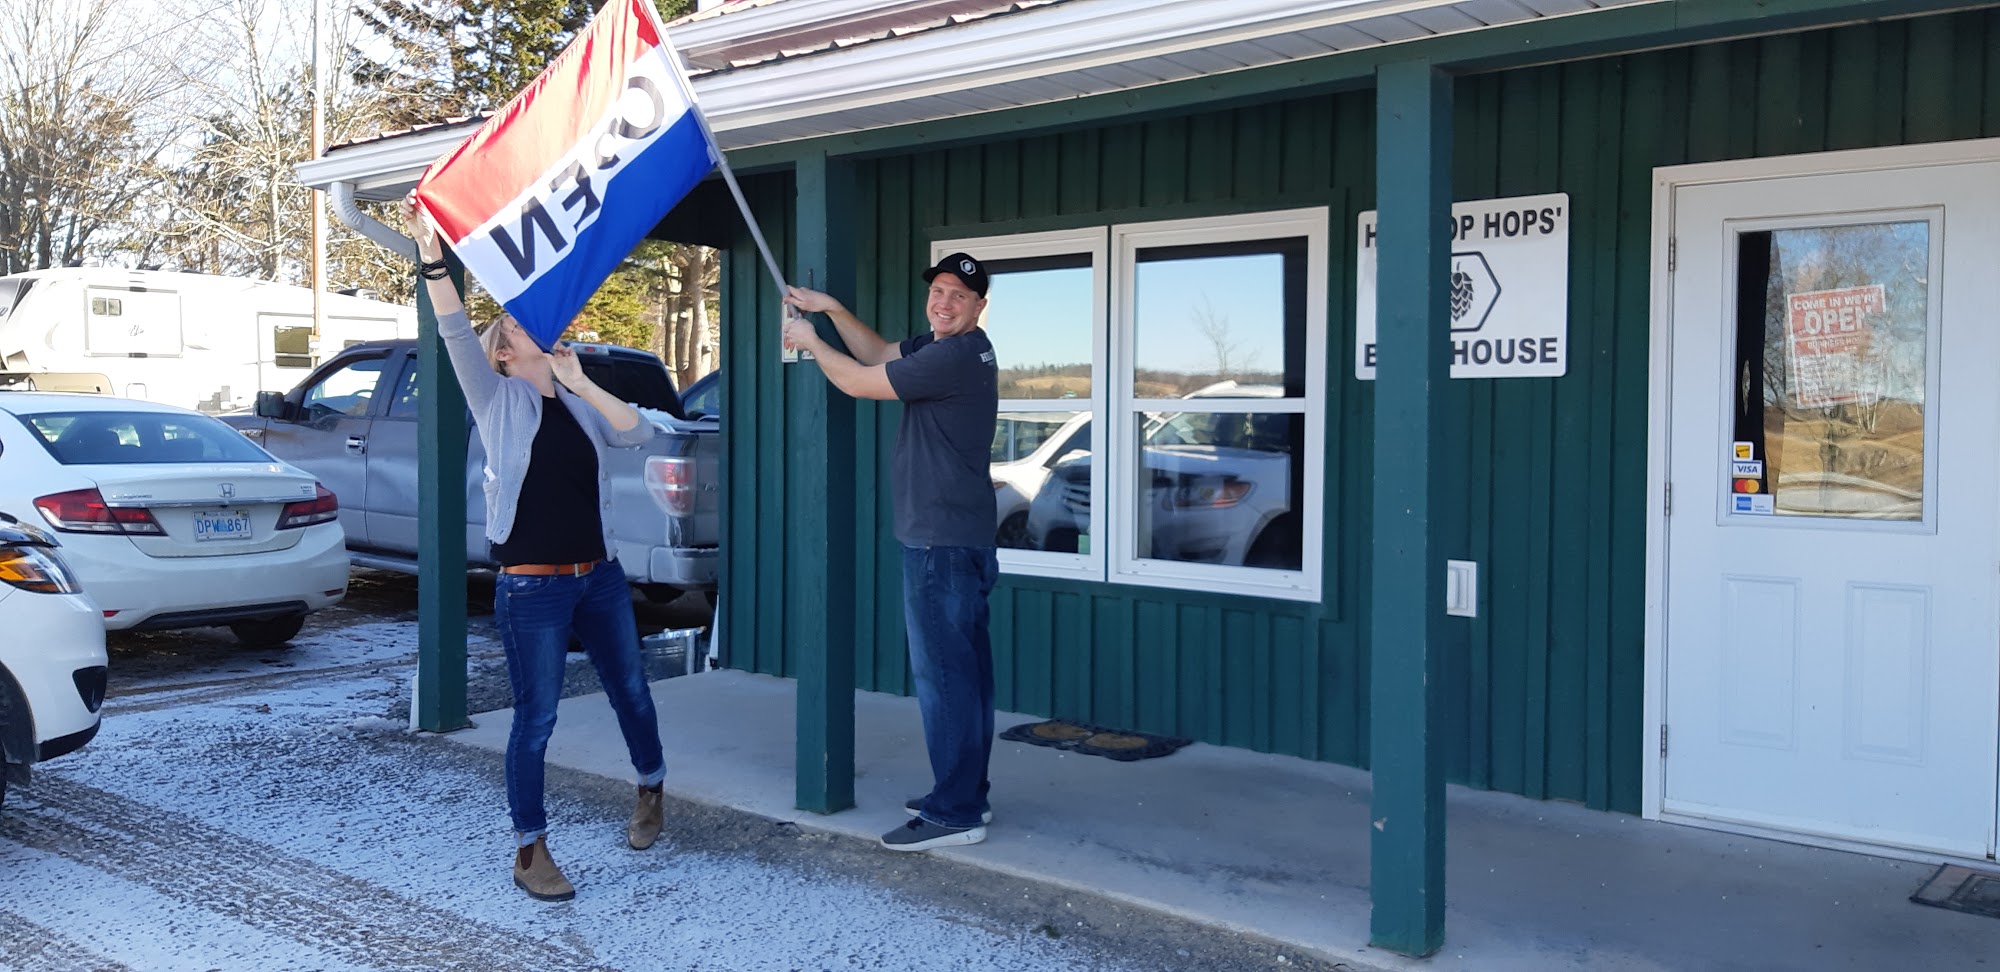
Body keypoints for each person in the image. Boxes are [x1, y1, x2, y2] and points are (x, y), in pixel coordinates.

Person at [402, 195, 667, 901]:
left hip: (599, 577)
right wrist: (433, 255)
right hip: (532, 587)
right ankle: (530, 850)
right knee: (537, 718)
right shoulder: (495, 400)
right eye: (513, 324)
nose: (526, 324)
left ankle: (650, 788)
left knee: (632, 691)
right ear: (502, 352)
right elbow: (454, 325)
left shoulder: (579, 402)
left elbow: (636, 432)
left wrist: (580, 379)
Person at [782, 253, 1001, 852]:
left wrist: (808, 342)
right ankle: (964, 793)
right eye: (939, 290)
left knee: (945, 681)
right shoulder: (953, 349)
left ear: (980, 306)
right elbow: (879, 352)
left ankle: (954, 812)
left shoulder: (954, 356)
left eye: (960, 295)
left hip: (940, 545)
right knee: (968, 679)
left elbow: (857, 380)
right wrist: (832, 312)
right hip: (962, 538)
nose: (945, 302)